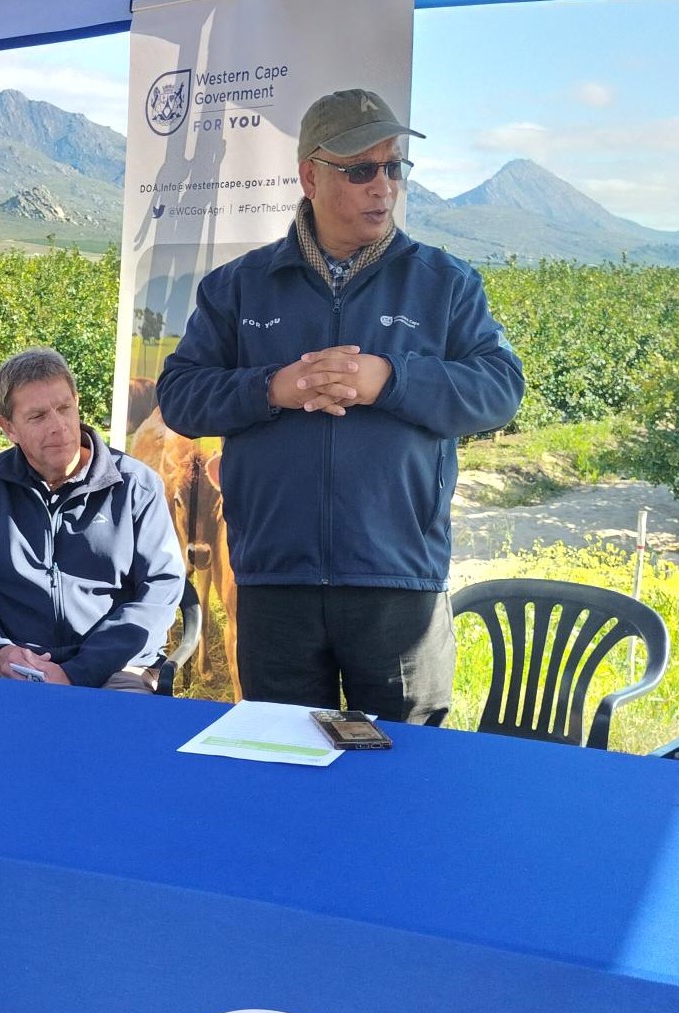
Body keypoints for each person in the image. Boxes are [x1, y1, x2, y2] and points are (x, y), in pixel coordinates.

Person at [156, 88, 525, 724]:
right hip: (277, 583)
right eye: (360, 170)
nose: (382, 186)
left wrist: (391, 379)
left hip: (398, 582)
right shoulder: (238, 286)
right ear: (309, 177)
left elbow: (499, 388)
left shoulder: (446, 283)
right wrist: (272, 389)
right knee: (287, 776)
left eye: (393, 167)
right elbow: (180, 394)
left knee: (406, 779)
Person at [0, 348, 185, 691]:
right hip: (21, 669)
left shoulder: (136, 485)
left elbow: (160, 591)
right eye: (38, 416)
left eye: (64, 408)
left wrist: (79, 670)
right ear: (8, 428)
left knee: (111, 739)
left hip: (117, 668)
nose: (58, 426)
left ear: (77, 403)